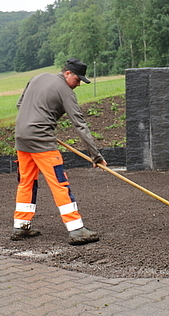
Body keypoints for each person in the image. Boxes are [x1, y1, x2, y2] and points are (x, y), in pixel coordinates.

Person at [12, 58, 105, 245]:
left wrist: (36, 124)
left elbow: (20, 105)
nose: (77, 84)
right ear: (67, 73)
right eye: (77, 80)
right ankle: (76, 229)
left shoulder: (38, 78)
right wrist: (96, 156)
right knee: (59, 183)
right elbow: (80, 124)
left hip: (21, 138)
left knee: (26, 182)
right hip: (41, 142)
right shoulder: (65, 91)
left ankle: (21, 226)